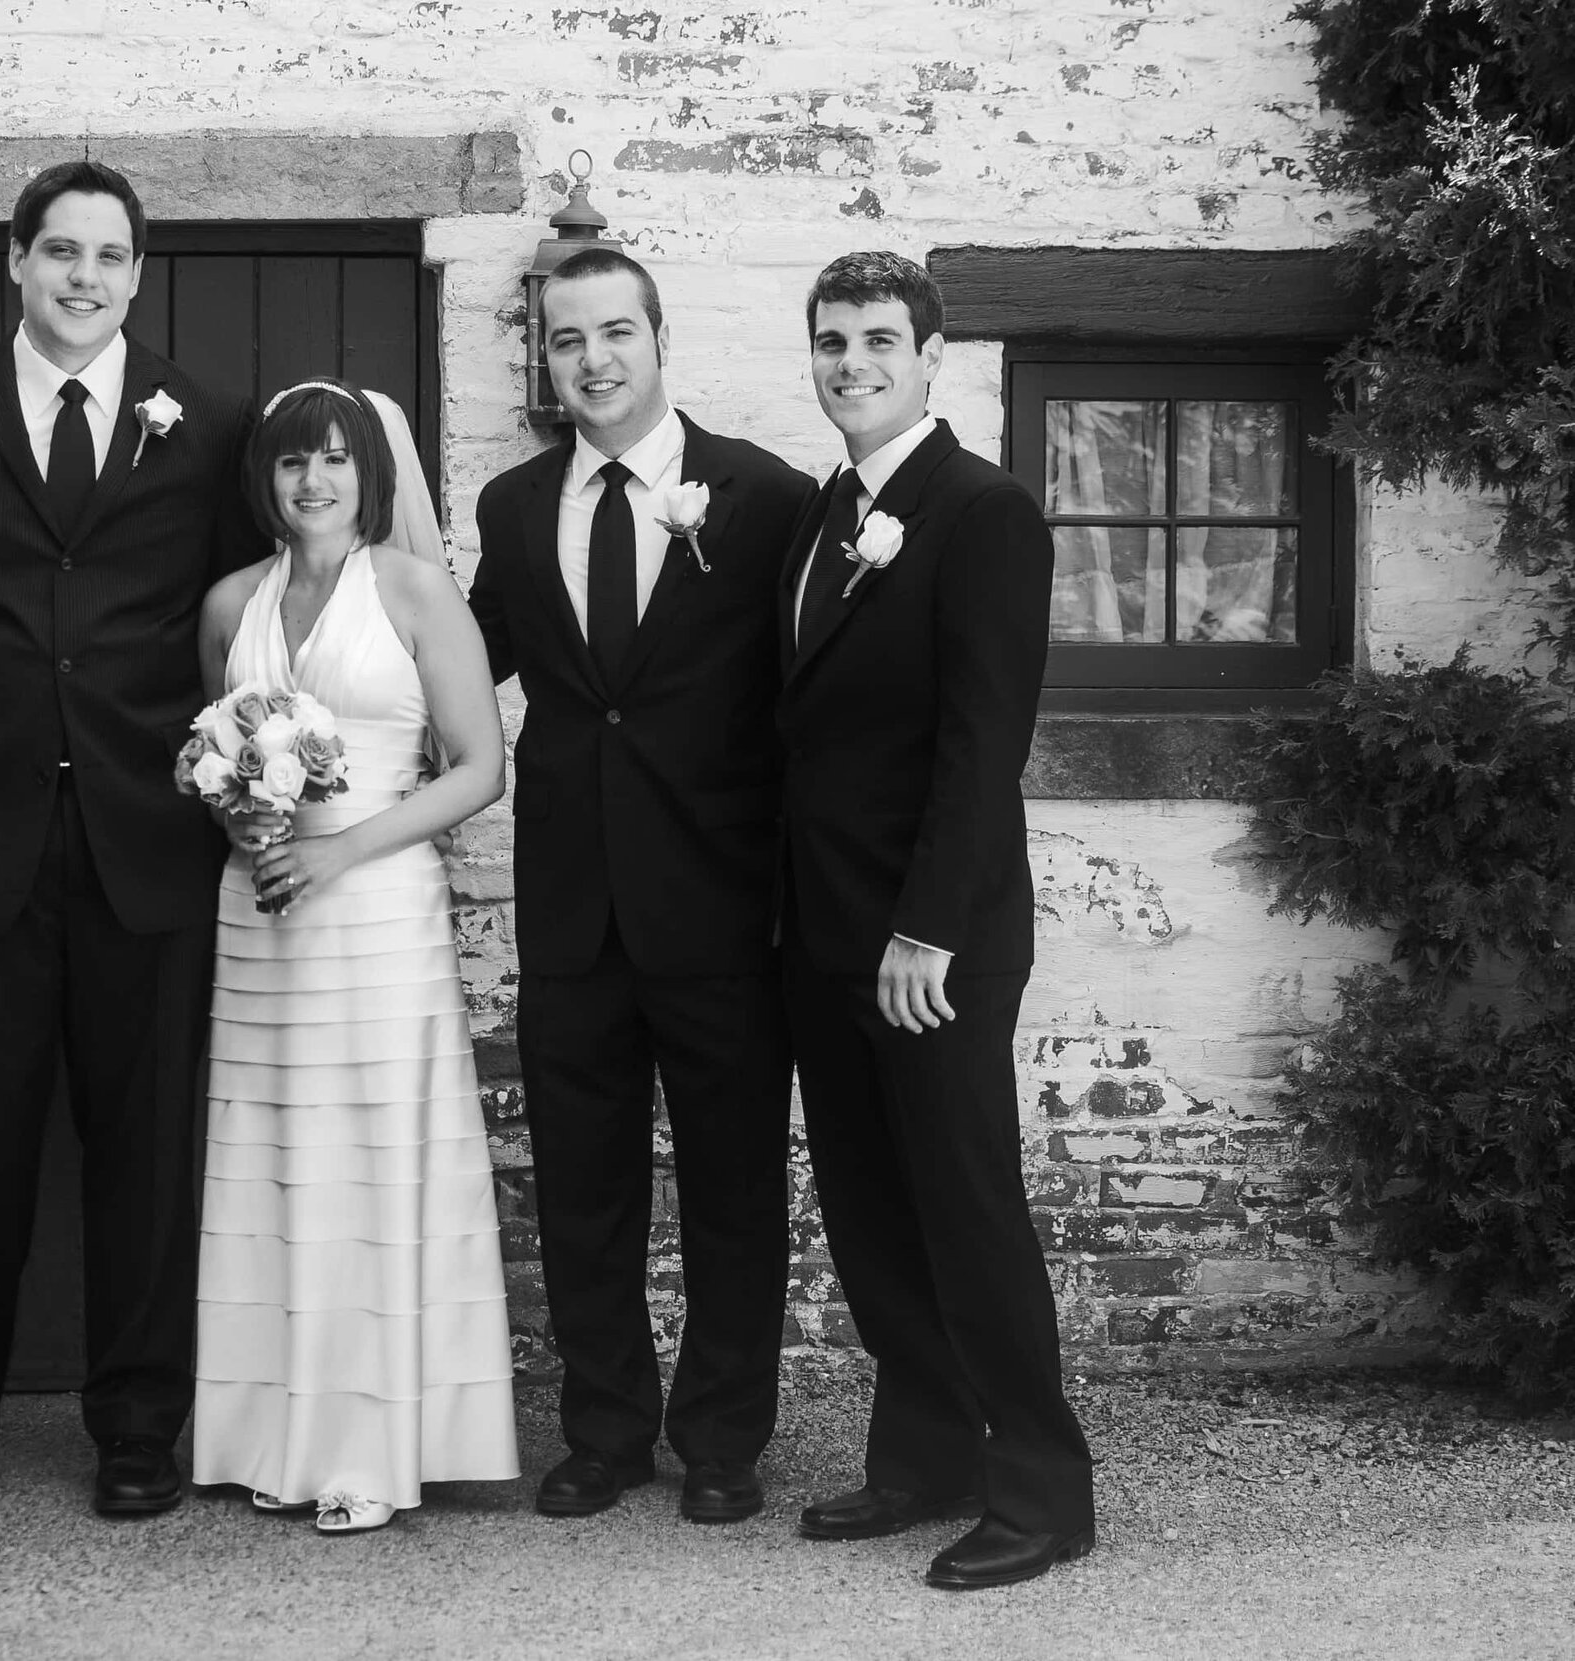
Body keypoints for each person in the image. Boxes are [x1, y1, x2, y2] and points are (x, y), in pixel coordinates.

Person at [0, 159, 265, 1518]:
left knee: (145, 1152)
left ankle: (138, 1426)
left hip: (146, 836)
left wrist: (248, 775)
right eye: (60, 252)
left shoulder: (207, 420)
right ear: (16, 266)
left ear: (137, 275)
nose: (84, 276)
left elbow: (233, 620)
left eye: (109, 256)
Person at [466, 247, 814, 1523]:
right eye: (568, 340)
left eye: (615, 332)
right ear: (545, 360)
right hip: (569, 902)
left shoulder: (764, 498)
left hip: (720, 903)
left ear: (660, 338)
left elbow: (812, 697)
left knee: (731, 1182)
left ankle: (723, 1436)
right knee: (581, 1183)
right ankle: (604, 1428)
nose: (594, 359)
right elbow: (466, 669)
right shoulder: (511, 508)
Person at [778, 250, 1094, 1589]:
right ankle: (924, 1454)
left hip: (931, 942)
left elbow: (983, 745)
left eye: (878, 340)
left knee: (963, 1206)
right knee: (870, 1209)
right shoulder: (821, 514)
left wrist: (929, 932)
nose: (853, 361)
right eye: (833, 340)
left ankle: (1040, 1485)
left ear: (930, 356)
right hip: (822, 929)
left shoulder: (982, 510)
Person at [191, 380, 519, 1534]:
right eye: (291, 463)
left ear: (371, 473)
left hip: (377, 906)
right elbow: (210, 757)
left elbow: (478, 765)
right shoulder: (233, 599)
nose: (312, 482)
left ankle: (377, 1446)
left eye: (334, 460)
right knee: (274, 1153)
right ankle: (262, 1434)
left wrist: (342, 854)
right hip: (261, 909)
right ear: (265, 478)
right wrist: (246, 824)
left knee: (375, 1157)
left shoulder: (418, 590)